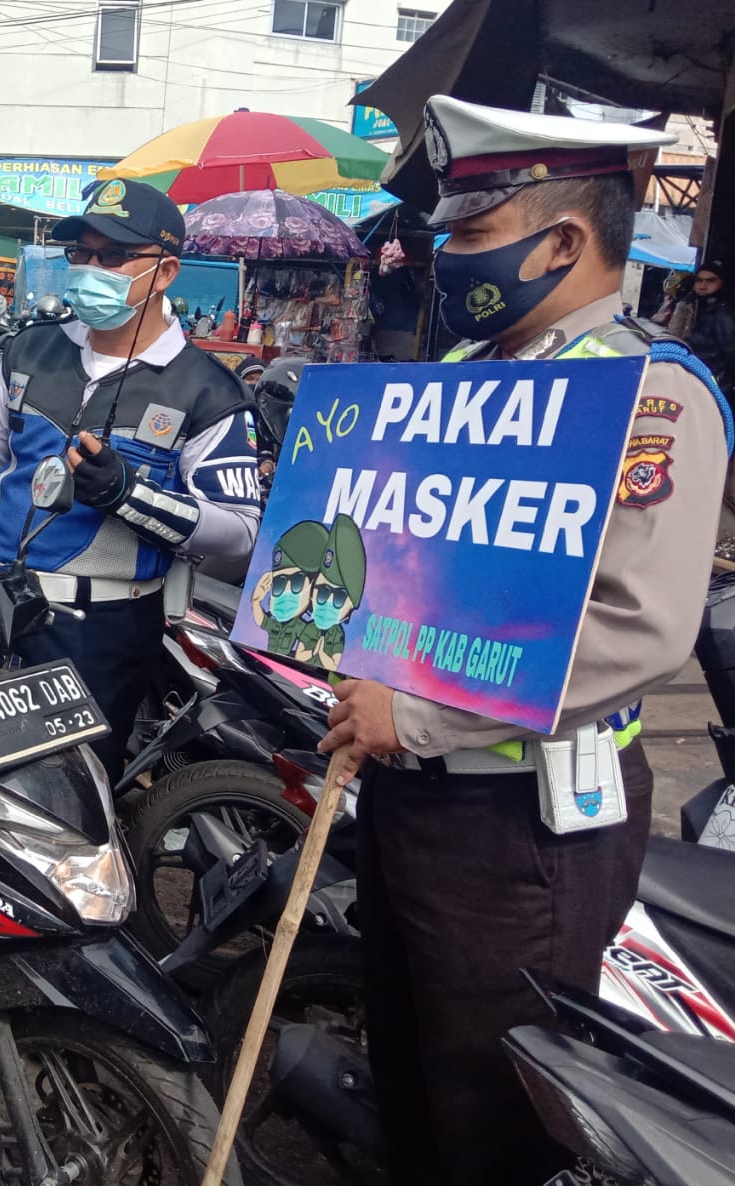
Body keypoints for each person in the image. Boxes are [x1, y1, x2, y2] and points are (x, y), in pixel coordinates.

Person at [318, 94, 730, 1186]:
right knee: (411, 1081)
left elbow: (637, 628)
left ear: (562, 240)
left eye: (468, 236)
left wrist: (412, 710)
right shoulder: (462, 381)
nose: (438, 257)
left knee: (494, 1119)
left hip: (523, 829)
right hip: (412, 797)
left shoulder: (644, 393)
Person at [0, 178, 262, 778]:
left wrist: (132, 496)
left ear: (166, 271)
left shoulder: (207, 390)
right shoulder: (30, 351)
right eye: (82, 253)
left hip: (102, 633)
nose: (91, 269)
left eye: (114, 255)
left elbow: (240, 532)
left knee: (68, 809)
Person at [676, 259, 735, 402]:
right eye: (699, 281)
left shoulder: (722, 314)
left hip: (713, 390)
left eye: (711, 281)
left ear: (722, 283)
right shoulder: (689, 307)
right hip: (691, 384)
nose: (703, 286)